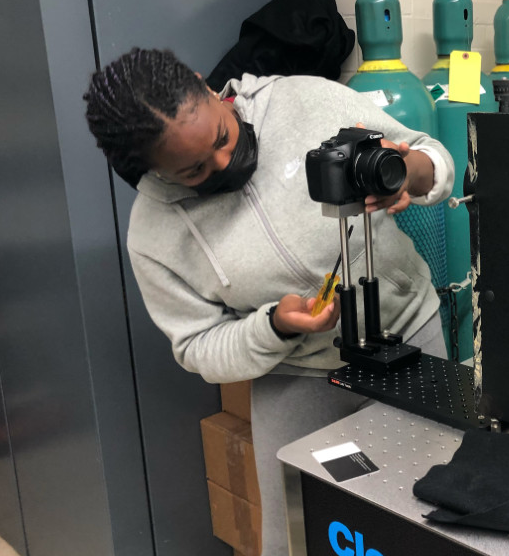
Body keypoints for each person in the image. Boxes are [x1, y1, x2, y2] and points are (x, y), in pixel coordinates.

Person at [83, 47, 453, 556]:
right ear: (151, 172)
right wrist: (273, 328)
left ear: (205, 86)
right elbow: (197, 346)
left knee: (437, 511)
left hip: (410, 337)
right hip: (299, 376)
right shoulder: (153, 237)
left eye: (222, 137)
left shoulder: (305, 100)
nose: (224, 162)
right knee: (302, 533)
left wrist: (412, 170)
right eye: (194, 171)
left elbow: (430, 154)